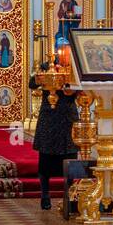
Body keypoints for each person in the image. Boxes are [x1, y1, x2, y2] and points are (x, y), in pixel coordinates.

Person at [28, 77, 78, 210]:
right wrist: (42, 79)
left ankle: (69, 196)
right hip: (49, 116)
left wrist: (72, 88)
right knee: (45, 160)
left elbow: (80, 88)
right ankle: (45, 195)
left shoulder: (73, 69)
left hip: (68, 117)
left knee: (70, 158)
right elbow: (32, 83)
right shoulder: (46, 68)